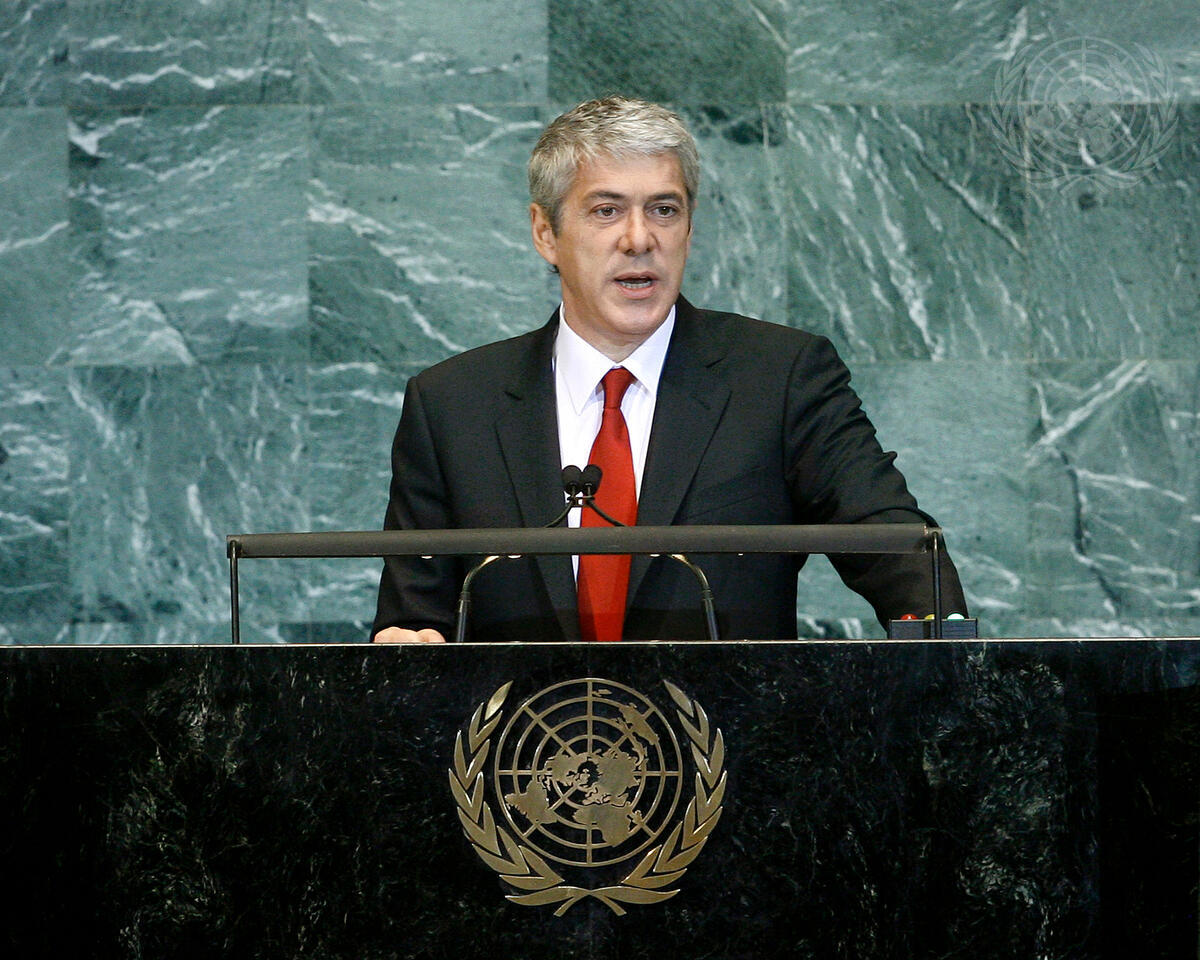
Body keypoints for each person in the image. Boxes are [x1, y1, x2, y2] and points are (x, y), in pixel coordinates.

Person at [373, 96, 967, 644]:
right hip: (527, 729)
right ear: (545, 233)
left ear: (689, 228)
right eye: (606, 210)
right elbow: (413, 624)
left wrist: (945, 652)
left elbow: (898, 551)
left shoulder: (780, 379)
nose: (639, 239)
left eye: (663, 210)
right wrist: (408, 650)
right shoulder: (452, 405)